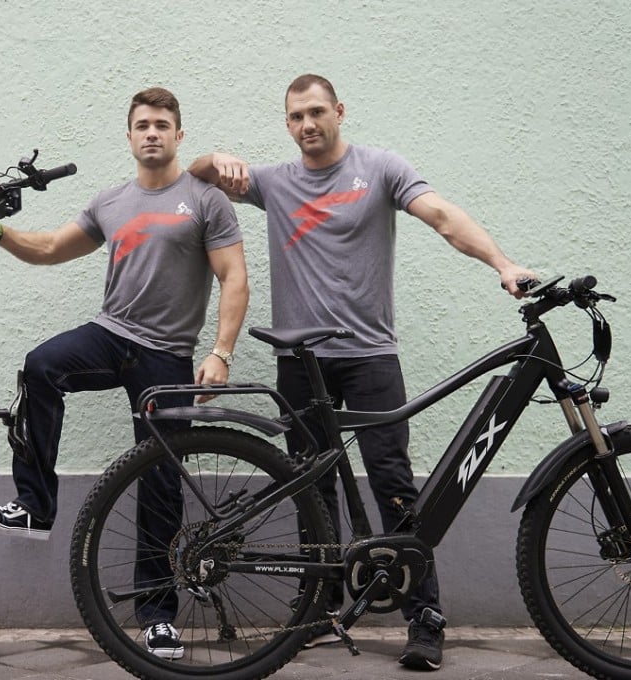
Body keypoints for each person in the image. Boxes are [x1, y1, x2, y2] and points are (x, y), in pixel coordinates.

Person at [188, 73, 535, 672]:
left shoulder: (380, 169)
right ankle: (318, 610)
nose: (308, 124)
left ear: (339, 111)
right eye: (296, 116)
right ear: (287, 123)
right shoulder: (273, 182)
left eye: (317, 112)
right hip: (301, 363)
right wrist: (213, 157)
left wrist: (502, 264)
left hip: (371, 355)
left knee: (393, 482)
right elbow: (194, 175)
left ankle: (424, 616)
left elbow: (442, 216)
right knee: (312, 491)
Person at [0, 86, 249, 660]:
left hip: (167, 355)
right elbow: (51, 247)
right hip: (111, 334)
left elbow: (234, 277)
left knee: (160, 482)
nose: (152, 133)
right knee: (41, 367)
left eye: (162, 125)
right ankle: (35, 506)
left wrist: (221, 352)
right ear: (129, 136)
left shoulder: (205, 200)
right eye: (142, 125)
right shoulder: (110, 201)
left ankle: (158, 616)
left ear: (178, 134)